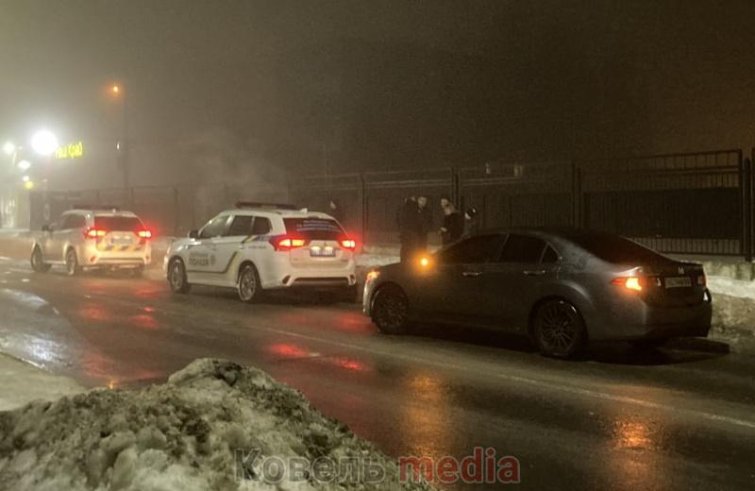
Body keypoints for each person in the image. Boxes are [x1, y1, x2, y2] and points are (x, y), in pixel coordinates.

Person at [397, 196, 419, 262]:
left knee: (405, 248)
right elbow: (415, 220)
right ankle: (410, 261)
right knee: (412, 248)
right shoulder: (414, 207)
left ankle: (403, 261)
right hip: (412, 232)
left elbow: (399, 219)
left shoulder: (402, 208)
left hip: (404, 232)